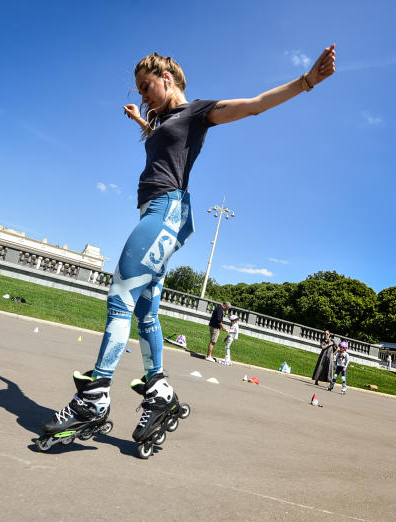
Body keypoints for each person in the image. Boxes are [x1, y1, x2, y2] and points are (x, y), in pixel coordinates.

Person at [41, 45, 337, 450]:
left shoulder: (197, 112)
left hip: (166, 210)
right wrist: (140, 122)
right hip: (155, 211)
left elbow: (253, 106)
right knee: (145, 311)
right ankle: (159, 392)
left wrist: (306, 82)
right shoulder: (162, 119)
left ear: (168, 79)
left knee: (120, 296)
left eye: (145, 87)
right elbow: (163, 143)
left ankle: (94, 397)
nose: (142, 96)